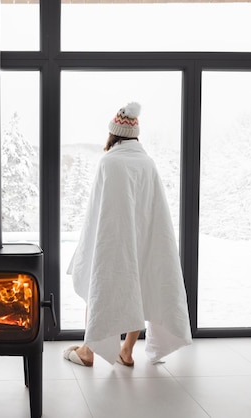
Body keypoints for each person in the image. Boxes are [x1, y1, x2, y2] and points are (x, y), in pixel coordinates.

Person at [64, 102, 192, 367]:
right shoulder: (148, 163)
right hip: (145, 239)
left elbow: (97, 211)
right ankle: (127, 350)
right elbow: (155, 209)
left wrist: (90, 244)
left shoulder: (109, 163)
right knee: (141, 286)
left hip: (113, 240)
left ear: (113, 134)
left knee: (97, 281)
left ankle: (88, 351)